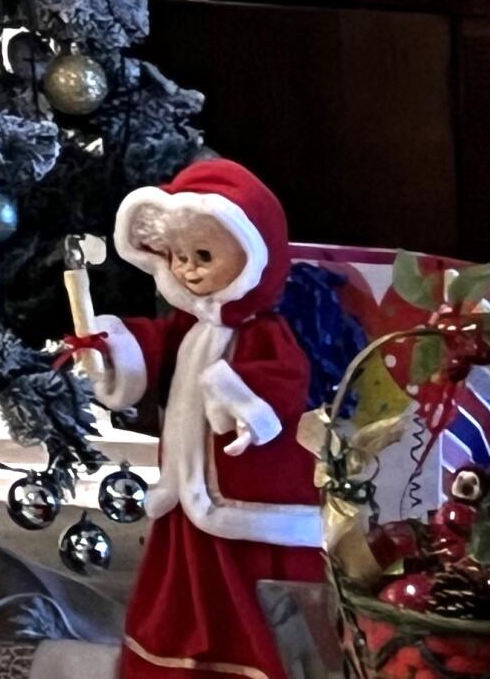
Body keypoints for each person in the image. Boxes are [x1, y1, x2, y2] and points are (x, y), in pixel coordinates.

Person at [64, 158, 322, 679]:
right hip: (186, 492)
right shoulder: (190, 325)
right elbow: (150, 346)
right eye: (178, 256)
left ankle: (248, 662)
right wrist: (112, 345)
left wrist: (239, 398)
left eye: (204, 255)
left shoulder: (262, 329)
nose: (187, 270)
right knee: (181, 582)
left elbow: (282, 382)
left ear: (253, 257)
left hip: (250, 499)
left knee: (250, 592)